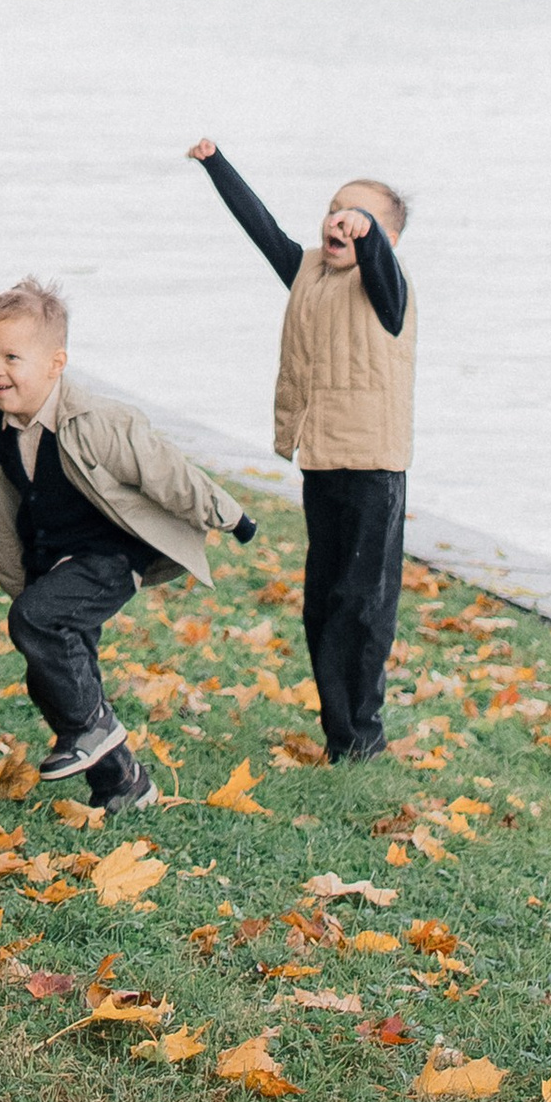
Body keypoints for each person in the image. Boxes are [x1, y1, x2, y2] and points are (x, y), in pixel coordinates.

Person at [0, 275, 256, 811]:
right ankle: (122, 782)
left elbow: (164, 470)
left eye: (12, 357)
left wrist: (229, 515)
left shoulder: (96, 422)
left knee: (41, 630)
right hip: (53, 563)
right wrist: (21, 588)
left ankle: (93, 726)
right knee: (51, 675)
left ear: (57, 363)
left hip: (110, 556)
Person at [185, 139, 413, 764]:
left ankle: (363, 735)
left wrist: (366, 235)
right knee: (324, 603)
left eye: (357, 217)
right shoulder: (308, 270)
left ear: (381, 240)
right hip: (323, 461)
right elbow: (261, 228)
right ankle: (339, 730)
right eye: (335, 209)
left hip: (374, 468)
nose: (339, 220)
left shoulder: (389, 291)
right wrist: (216, 163)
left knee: (364, 606)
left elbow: (381, 267)